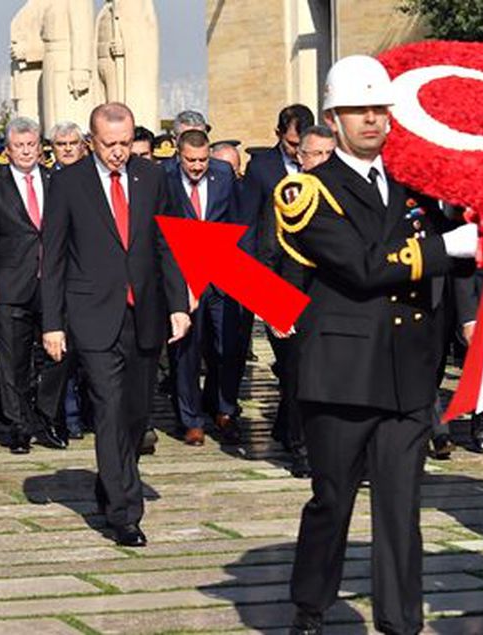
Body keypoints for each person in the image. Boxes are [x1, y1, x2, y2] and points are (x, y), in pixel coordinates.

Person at [278, 56, 478, 635]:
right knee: (332, 501)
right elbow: (363, 267)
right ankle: (310, 606)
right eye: (357, 110)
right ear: (333, 119)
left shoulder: (414, 188)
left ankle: (400, 621)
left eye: (378, 110)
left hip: (407, 371)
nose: (371, 119)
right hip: (342, 371)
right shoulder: (306, 191)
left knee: (399, 508)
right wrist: (449, 247)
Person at [41, 102, 191, 547]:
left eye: (126, 143)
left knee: (135, 414)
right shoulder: (69, 183)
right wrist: (53, 323)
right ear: (92, 141)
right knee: (107, 407)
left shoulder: (152, 178)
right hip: (92, 314)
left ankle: (111, 483)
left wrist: (178, 304)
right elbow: (54, 256)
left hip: (144, 313)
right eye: (110, 145)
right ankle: (126, 513)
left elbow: (167, 243)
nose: (118, 153)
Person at [0, 116, 70, 454]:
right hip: (9, 287)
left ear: (40, 147)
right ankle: (17, 427)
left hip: (54, 285)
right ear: (8, 150)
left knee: (58, 358)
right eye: (19, 146)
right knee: (11, 362)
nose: (26, 151)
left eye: (31, 145)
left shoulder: (57, 181)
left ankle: (46, 419)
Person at [242, 104, 314, 477]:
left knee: (308, 373)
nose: (298, 153)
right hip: (281, 282)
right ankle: (300, 448)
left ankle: (289, 427)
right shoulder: (266, 174)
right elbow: (255, 234)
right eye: (292, 145)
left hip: (324, 294)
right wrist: (262, 295)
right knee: (294, 371)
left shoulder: (331, 178)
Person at [167, 129, 245, 447]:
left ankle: (224, 409)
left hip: (222, 268)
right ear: (178, 153)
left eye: (202, 160)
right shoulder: (165, 177)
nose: (197, 167)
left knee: (228, 345)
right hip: (183, 273)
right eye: (190, 160)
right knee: (186, 351)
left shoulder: (224, 174)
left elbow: (238, 221)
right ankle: (191, 420)